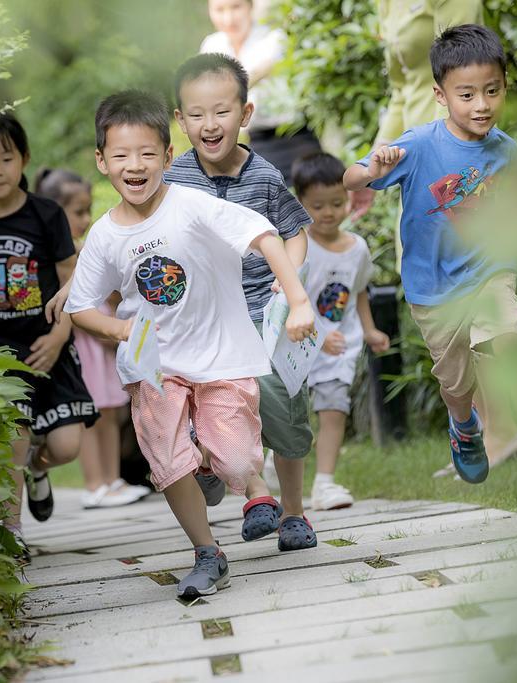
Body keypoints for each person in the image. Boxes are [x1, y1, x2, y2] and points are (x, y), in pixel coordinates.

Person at [63, 90, 314, 599]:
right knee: (166, 461)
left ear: (167, 157)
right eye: (121, 155)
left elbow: (265, 236)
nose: (135, 166)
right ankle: (206, 552)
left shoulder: (194, 205)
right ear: (101, 161)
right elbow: (82, 306)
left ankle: (211, 461)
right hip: (155, 369)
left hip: (220, 358)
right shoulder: (105, 236)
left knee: (238, 462)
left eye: (147, 154)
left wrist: (299, 299)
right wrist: (121, 332)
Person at [343, 24, 517, 495]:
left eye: (492, 91)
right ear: (440, 95)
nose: (482, 105)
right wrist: (371, 168)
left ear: (503, 88)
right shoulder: (417, 146)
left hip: (489, 274)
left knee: (511, 343)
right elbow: (354, 180)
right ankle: (463, 426)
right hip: (433, 290)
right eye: (467, 94)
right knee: (457, 384)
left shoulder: (506, 151)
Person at [168, 52, 319, 552]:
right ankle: (239, 481)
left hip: (262, 308)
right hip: (205, 318)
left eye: (222, 111)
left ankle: (295, 513)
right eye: (197, 114)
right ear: (180, 120)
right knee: (214, 401)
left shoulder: (266, 176)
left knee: (280, 406)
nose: (210, 125)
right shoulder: (173, 181)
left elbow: (295, 233)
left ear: (246, 114)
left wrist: (288, 277)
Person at [0, 112, 98, 560]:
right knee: (12, 436)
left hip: (50, 343)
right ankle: (12, 531)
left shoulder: (46, 214)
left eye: (6, 158)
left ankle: (37, 468)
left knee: (66, 446)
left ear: (24, 160)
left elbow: (74, 282)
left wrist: (58, 338)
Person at [33, 168, 150, 509]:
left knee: (112, 410)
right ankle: (94, 483)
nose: (86, 219)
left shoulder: (90, 247)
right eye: (78, 212)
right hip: (84, 343)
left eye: (87, 211)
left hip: (105, 340)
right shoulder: (55, 257)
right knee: (91, 412)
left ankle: (112, 480)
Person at [291, 153, 390, 510]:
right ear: (300, 202)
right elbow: (287, 296)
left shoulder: (357, 248)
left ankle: (324, 483)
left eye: (337, 202)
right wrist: (317, 332)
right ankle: (277, 463)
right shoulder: (298, 246)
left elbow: (359, 290)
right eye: (318, 205)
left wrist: (369, 329)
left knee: (334, 409)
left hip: (339, 349)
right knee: (292, 413)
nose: (329, 212)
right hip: (298, 348)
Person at [201, 0, 321, 181]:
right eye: (219, 10)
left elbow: (261, 71)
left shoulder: (274, 38)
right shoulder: (211, 46)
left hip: (294, 138)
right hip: (256, 141)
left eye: (236, 7)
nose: (229, 18)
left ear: (250, 7)